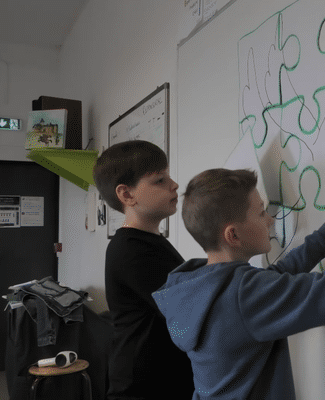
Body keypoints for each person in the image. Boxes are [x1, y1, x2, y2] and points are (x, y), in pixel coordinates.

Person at [152, 167, 325, 400]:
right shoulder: (244, 296)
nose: (269, 220)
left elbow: (278, 275)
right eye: (261, 212)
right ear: (233, 235)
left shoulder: (199, 285)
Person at [93, 140, 194, 400]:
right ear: (127, 195)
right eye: (160, 180)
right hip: (143, 388)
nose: (174, 185)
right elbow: (188, 312)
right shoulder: (132, 250)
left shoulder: (147, 243)